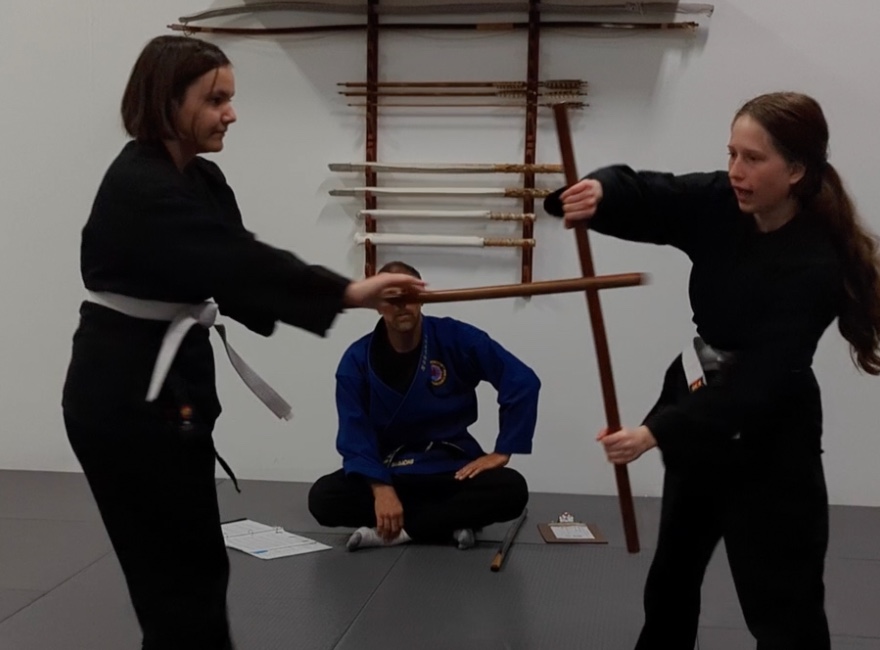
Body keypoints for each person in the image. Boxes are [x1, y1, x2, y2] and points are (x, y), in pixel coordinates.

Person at [61, 35, 424, 650]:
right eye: (215, 99)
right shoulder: (140, 186)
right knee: (175, 583)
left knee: (199, 570)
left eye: (230, 98)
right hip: (122, 398)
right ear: (167, 100)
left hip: (170, 390)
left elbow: (238, 280)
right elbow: (237, 260)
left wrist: (359, 297)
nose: (231, 112)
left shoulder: (202, 181)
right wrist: (346, 292)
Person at [544, 91, 880, 649]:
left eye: (753, 159)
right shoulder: (724, 201)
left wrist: (655, 431)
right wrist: (600, 192)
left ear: (795, 170)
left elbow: (754, 384)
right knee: (671, 580)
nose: (736, 172)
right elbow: (655, 194)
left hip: (771, 439)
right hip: (700, 402)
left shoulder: (814, 265)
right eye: (731, 154)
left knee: (782, 603)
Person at [308, 260, 539, 551]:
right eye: (392, 298)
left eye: (409, 296)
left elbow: (522, 381)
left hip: (451, 469)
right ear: (377, 305)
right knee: (322, 499)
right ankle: (448, 522)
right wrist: (382, 490)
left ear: (423, 298)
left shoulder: (457, 339)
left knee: (512, 490)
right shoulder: (356, 360)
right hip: (391, 470)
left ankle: (400, 530)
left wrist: (503, 450)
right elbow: (355, 436)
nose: (402, 306)